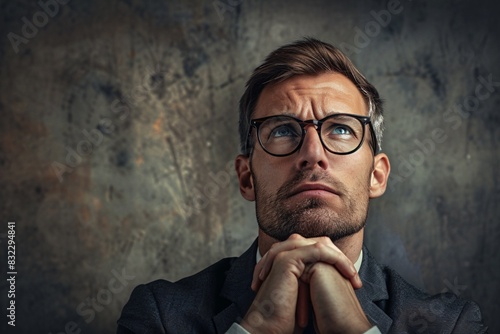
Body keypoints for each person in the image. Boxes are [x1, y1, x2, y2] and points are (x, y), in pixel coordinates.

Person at [117, 38, 487, 333]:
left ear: (377, 175)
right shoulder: (161, 316)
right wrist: (255, 328)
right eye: (282, 130)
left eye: (341, 128)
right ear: (247, 178)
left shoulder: (450, 325)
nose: (313, 154)